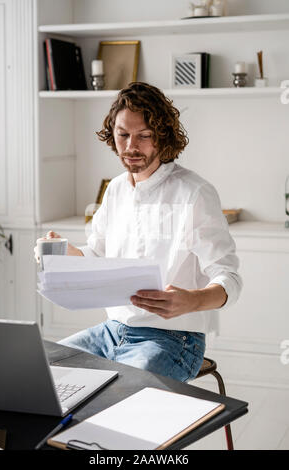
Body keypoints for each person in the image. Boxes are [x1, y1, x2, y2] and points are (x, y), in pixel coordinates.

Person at [35, 82, 242, 382]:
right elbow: (99, 254)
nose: (131, 146)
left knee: (124, 391)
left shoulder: (194, 193)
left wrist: (192, 300)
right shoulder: (116, 189)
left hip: (174, 339)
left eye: (144, 136)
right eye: (123, 135)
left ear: (162, 136)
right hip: (110, 332)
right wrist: (67, 252)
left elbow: (231, 279)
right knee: (39, 372)